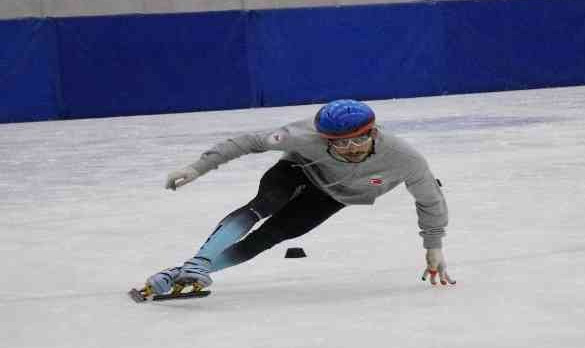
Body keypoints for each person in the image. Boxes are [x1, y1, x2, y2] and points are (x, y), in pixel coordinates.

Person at [142, 99, 455, 296]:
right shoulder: (304, 135)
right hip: (297, 171)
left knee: (267, 238)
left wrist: (433, 246)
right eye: (338, 144)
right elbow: (248, 141)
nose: (350, 150)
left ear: (373, 132)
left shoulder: (404, 158)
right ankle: (198, 263)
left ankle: (191, 271)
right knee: (262, 206)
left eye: (358, 140)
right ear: (324, 138)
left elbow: (429, 199)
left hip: (334, 196)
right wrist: (197, 167)